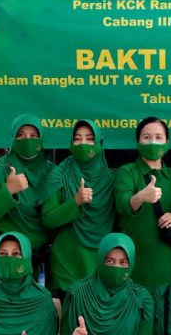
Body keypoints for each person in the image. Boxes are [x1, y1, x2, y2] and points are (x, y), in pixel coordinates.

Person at [42, 120, 116, 297]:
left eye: (90, 139)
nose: (83, 144)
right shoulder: (60, 173)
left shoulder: (111, 179)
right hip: (67, 261)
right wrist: (75, 201)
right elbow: (48, 219)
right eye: (77, 139)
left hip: (102, 261)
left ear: (99, 143)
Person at [0, 114, 56, 281]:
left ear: (41, 139)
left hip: (40, 259)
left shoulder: (51, 171)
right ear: (13, 138)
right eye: (21, 135)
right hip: (6, 258)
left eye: (33, 136)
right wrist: (8, 190)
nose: (27, 140)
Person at [114, 117, 171, 291]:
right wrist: (140, 197)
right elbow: (122, 205)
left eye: (159, 137)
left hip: (169, 259)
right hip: (136, 258)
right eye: (147, 137)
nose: (153, 142)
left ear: (167, 142)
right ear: (138, 141)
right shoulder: (127, 172)